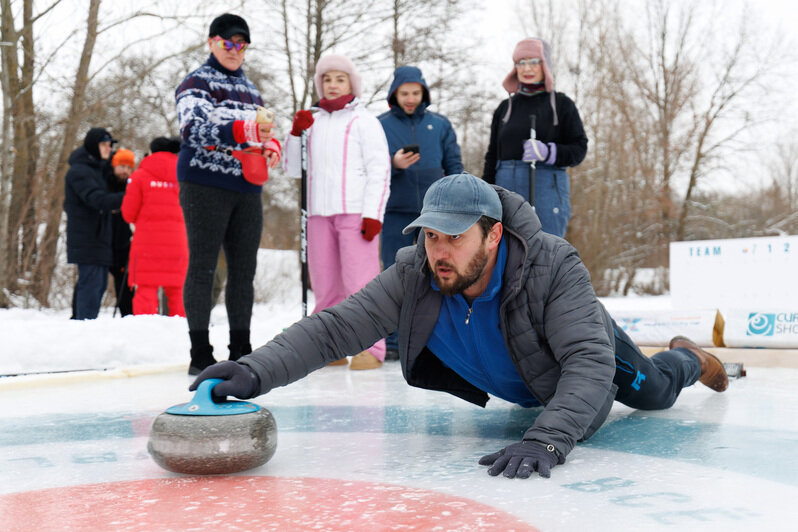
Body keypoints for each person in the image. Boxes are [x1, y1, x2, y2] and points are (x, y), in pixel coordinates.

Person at [191, 173, 729, 479]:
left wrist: (546, 439)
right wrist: (253, 371)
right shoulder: (416, 273)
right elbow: (337, 328)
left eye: (455, 238)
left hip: (583, 348)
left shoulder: (552, 266)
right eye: (431, 236)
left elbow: (589, 364)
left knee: (655, 393)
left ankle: (688, 357)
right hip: (535, 380)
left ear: (493, 235)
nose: (439, 252)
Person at [175, 13, 281, 375]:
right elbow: (193, 129)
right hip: (204, 182)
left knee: (244, 269)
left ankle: (241, 348)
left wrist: (272, 146)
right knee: (203, 265)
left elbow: (261, 132)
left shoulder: (252, 90)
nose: (235, 50)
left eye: (241, 44)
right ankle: (200, 351)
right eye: (228, 43)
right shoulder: (197, 82)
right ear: (212, 43)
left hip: (246, 186)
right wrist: (243, 128)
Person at [284, 54, 391, 371]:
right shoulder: (311, 122)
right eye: (327, 79)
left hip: (356, 215)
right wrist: (294, 135)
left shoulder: (364, 122)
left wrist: (373, 214)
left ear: (351, 83)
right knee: (326, 286)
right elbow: (292, 169)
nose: (332, 85)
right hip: (318, 214)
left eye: (339, 79)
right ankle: (328, 345)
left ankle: (371, 348)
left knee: (360, 285)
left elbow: (379, 170)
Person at [378, 66, 463, 360]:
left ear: (424, 93)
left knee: (436, 275)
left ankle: (433, 340)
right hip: (394, 213)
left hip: (434, 215)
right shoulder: (380, 125)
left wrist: (455, 204)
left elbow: (454, 166)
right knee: (394, 275)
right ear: (394, 94)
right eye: (405, 93)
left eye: (416, 93)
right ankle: (392, 341)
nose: (411, 98)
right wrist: (393, 164)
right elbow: (371, 169)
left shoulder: (440, 124)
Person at [483, 38, 588, 238]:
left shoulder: (562, 105)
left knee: (544, 253)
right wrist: (486, 195)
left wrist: (549, 152)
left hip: (546, 188)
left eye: (534, 62)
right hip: (505, 190)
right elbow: (491, 156)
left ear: (545, 65)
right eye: (521, 63)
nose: (527, 68)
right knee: (504, 253)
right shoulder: (504, 109)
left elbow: (579, 149)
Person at [121, 137, 188, 316]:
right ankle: (183, 333)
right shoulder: (184, 176)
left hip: (146, 244)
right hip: (178, 243)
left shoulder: (139, 176)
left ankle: (145, 334)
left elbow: (128, 213)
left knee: (145, 290)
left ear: (152, 152)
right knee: (178, 292)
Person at [64, 127, 125, 320]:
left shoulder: (98, 169)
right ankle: (83, 328)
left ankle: (82, 326)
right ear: (93, 146)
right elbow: (97, 199)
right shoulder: (80, 171)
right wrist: (130, 196)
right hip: (87, 238)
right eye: (104, 145)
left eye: (110, 145)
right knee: (90, 288)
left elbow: (116, 175)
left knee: (97, 287)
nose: (108, 149)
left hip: (100, 237)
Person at [107, 148, 136, 316]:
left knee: (125, 283)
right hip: (104, 241)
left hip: (123, 241)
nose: (125, 171)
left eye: (128, 167)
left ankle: (128, 316)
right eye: (122, 166)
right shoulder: (105, 182)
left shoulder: (132, 184)